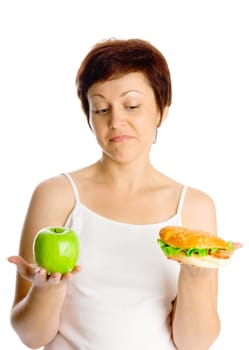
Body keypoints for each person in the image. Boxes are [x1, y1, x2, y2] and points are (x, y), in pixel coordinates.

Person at [8, 38, 220, 350]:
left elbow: (195, 343)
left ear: (162, 111)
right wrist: (46, 289)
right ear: (89, 117)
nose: (116, 121)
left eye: (132, 105)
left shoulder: (193, 207)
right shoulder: (56, 195)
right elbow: (30, 336)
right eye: (101, 108)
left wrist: (194, 275)